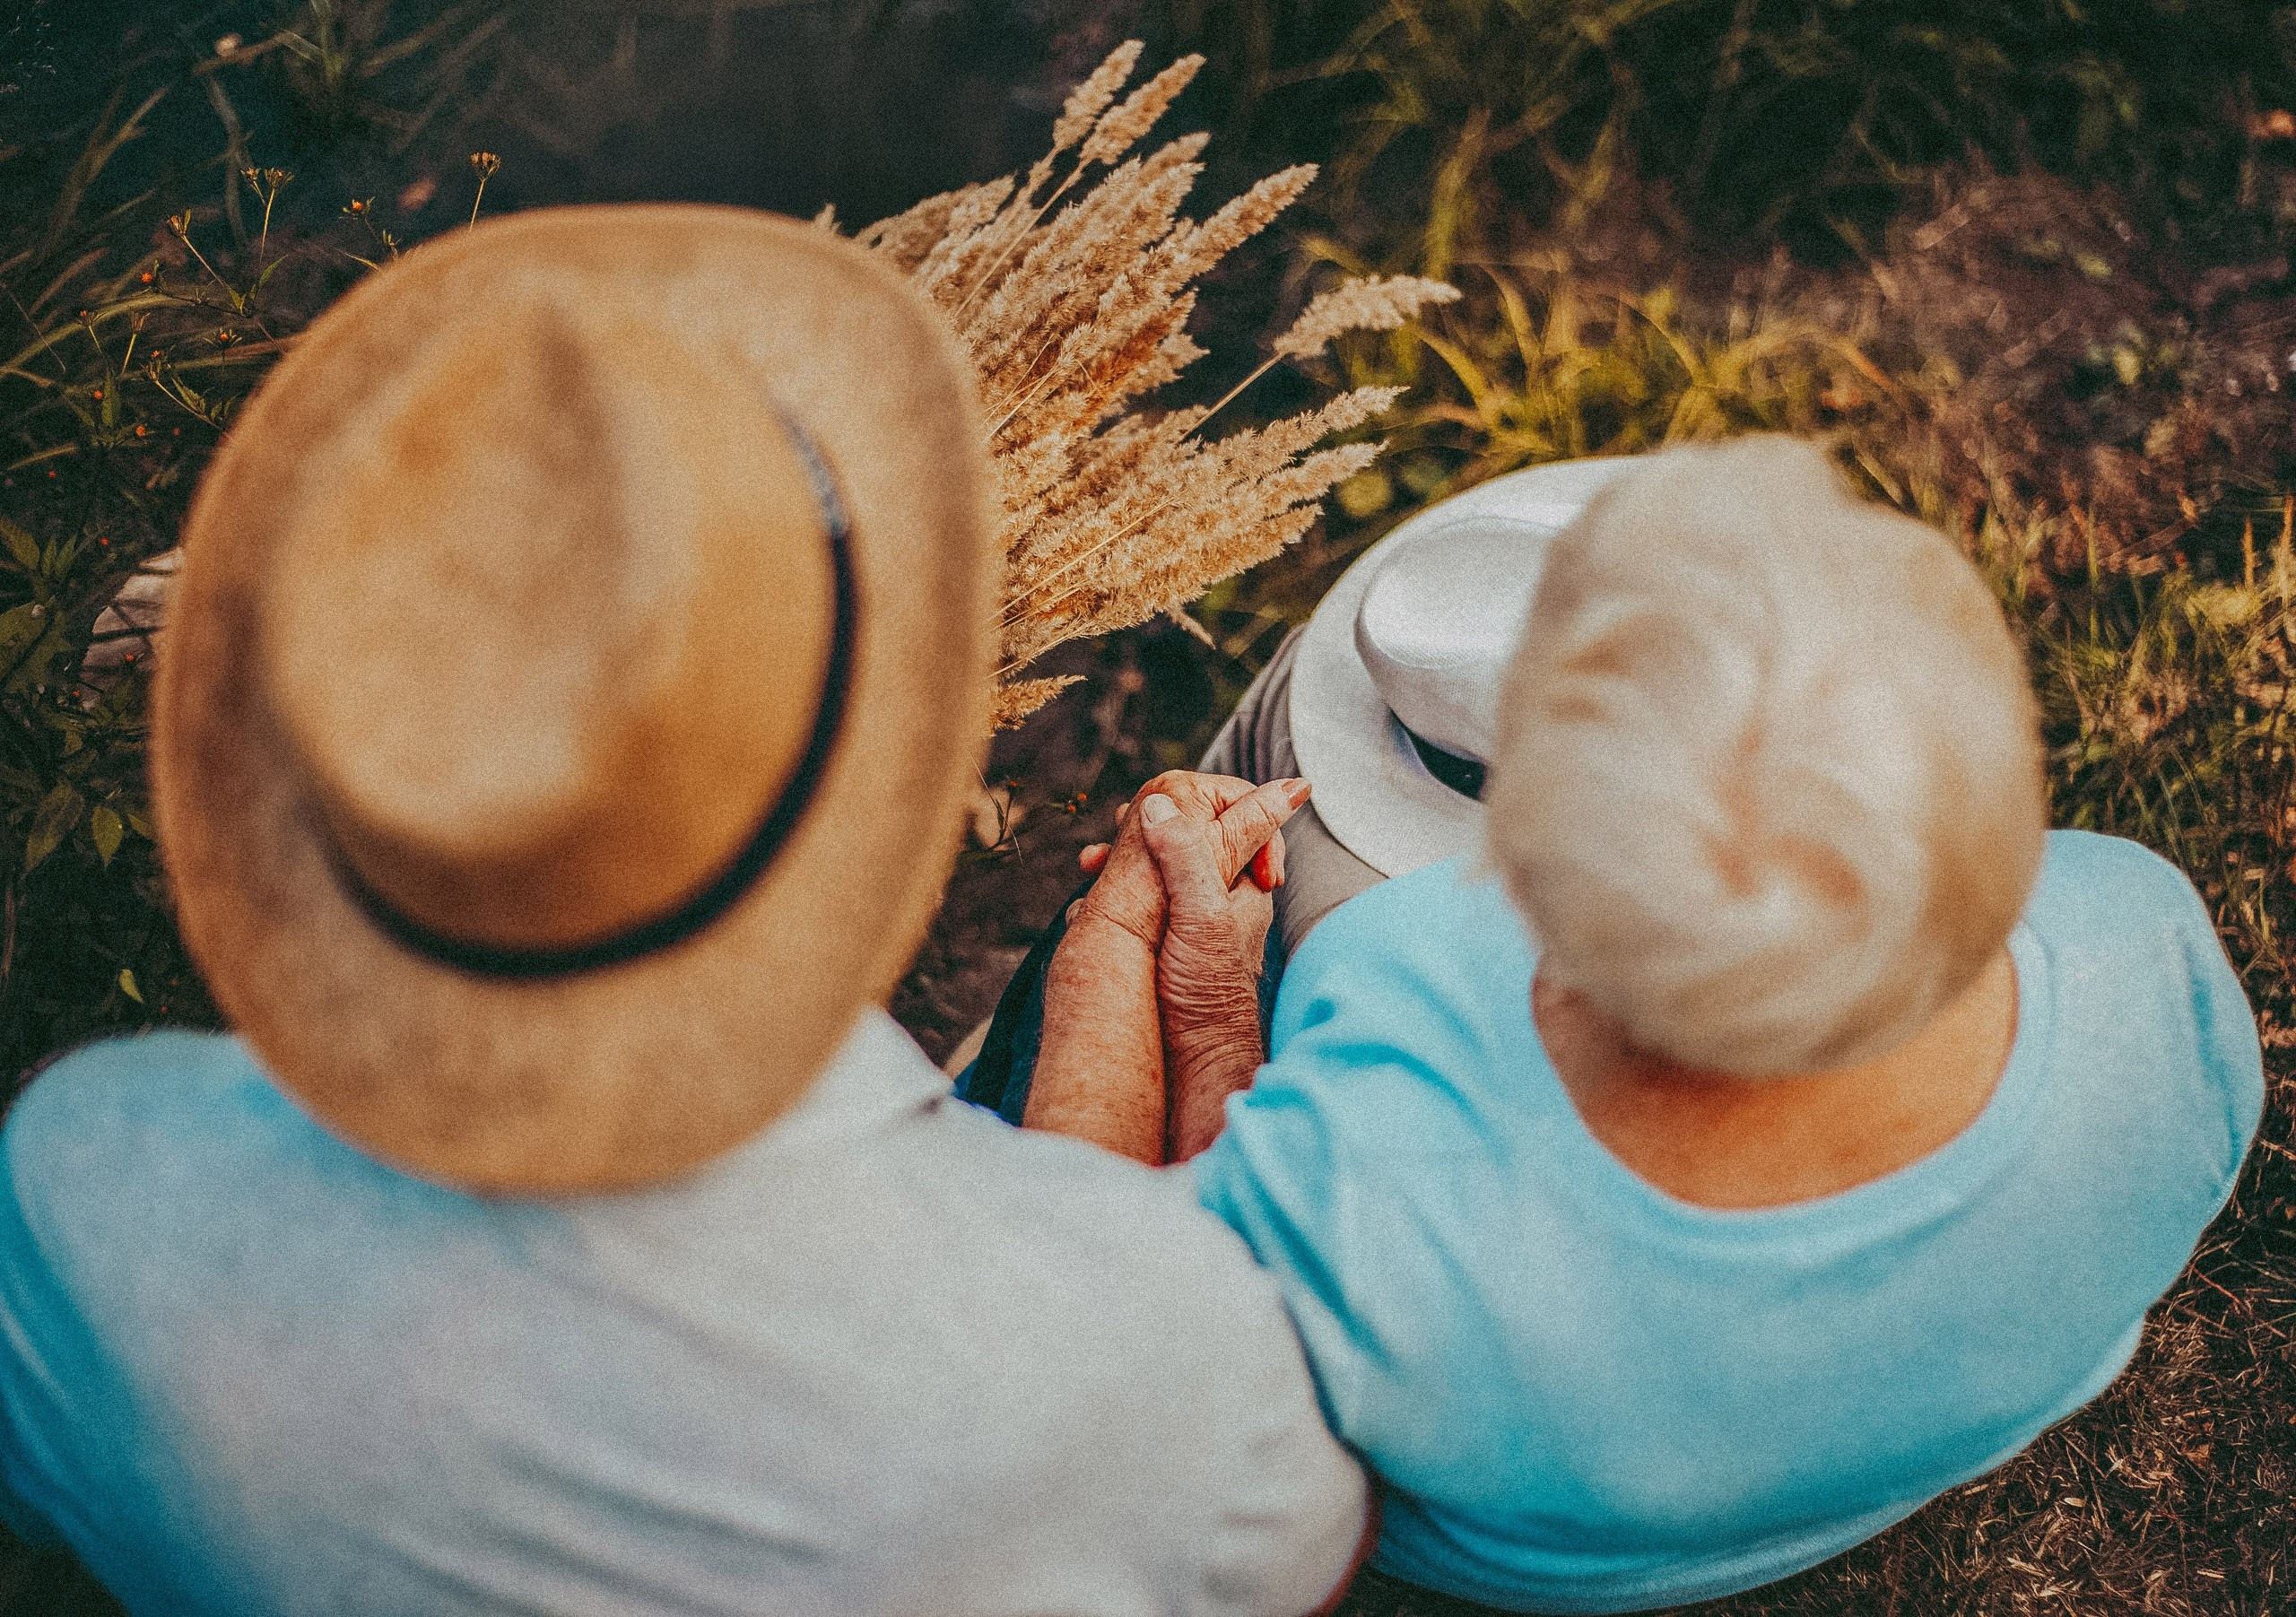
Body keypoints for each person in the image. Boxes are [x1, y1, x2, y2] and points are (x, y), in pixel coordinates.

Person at [0, 205, 1374, 1617]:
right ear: (876, 769)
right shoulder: (1163, 1370)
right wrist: (1203, 1021)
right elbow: (1290, 1566)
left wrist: (1101, 971)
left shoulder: (84, 1189)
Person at [1004, 437, 2265, 1613]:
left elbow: (1097, 1348)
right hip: (1941, 1410)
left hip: (1534, 1541)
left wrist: (1170, 988)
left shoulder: (1384, 1084)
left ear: (1522, 885)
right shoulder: (2147, 948)